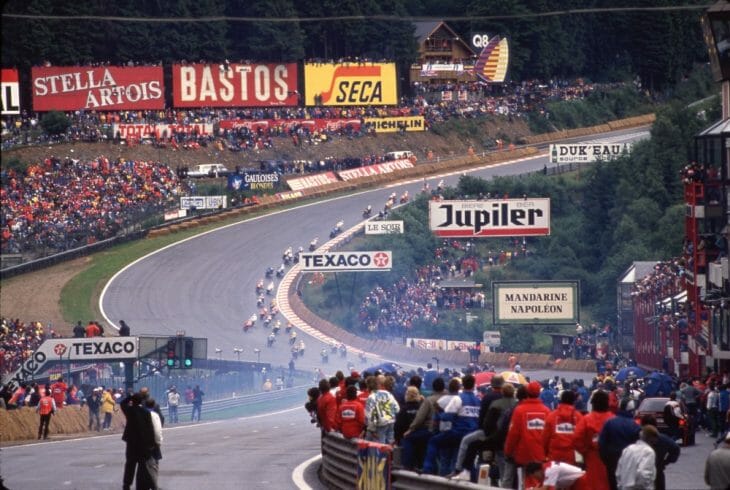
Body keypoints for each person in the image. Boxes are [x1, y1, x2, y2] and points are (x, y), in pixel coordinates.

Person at [504, 381, 551, 485]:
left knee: (526, 481)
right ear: (539, 393)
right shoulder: (546, 411)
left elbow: (513, 434)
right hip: (541, 454)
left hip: (524, 453)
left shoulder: (519, 410)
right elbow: (549, 435)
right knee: (540, 482)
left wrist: (508, 451)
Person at [400, 377, 446, 470]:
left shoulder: (429, 400)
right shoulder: (450, 399)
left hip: (431, 430)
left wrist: (410, 429)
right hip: (447, 430)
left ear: (433, 387)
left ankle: (407, 467)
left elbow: (420, 418)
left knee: (408, 438)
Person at [574, 390, 615, 490]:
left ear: (593, 404)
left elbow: (576, 439)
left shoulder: (586, 420)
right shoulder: (614, 419)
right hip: (611, 459)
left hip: (592, 457)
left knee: (593, 484)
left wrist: (585, 451)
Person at [599, 398, 640, 490]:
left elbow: (602, 443)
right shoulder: (635, 425)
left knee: (612, 483)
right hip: (629, 461)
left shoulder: (609, 422)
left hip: (612, 459)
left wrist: (605, 459)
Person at [120, 392, 158, 490]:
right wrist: (151, 444)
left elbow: (122, 403)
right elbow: (150, 429)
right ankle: (140, 486)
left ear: (133, 401)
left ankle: (126, 484)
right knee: (142, 466)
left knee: (130, 465)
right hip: (143, 444)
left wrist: (130, 396)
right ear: (142, 401)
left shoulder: (130, 411)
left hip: (131, 443)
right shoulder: (146, 413)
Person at [543, 389, 583, 465]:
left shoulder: (552, 416)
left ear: (561, 400)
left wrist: (545, 454)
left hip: (554, 457)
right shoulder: (579, 417)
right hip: (573, 457)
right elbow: (582, 438)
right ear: (574, 401)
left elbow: (545, 438)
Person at [639, 414, 679, 490]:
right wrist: (666, 461)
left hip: (640, 473)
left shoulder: (638, 437)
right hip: (658, 471)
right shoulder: (662, 438)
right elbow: (675, 449)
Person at [615, 424, 658, 490]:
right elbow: (643, 473)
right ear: (652, 438)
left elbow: (618, 471)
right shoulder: (649, 452)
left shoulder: (628, 449)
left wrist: (620, 485)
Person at [365, 375, 400, 444]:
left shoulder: (372, 397)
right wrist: (388, 415)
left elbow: (370, 415)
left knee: (380, 445)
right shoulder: (389, 394)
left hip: (380, 425)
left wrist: (372, 429)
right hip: (391, 423)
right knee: (390, 445)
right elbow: (397, 409)